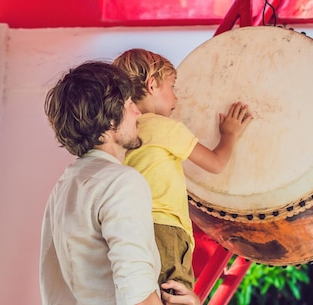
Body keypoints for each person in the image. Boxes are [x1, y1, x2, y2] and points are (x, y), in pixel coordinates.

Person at [40, 61, 200, 305]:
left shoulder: (63, 187)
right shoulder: (121, 183)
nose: (138, 112)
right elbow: (136, 294)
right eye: (128, 105)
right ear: (109, 122)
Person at [113, 49, 253, 291]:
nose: (176, 99)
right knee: (174, 293)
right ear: (153, 84)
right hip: (164, 228)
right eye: (172, 86)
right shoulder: (163, 127)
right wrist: (229, 134)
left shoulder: (119, 133)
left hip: (128, 227)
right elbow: (216, 163)